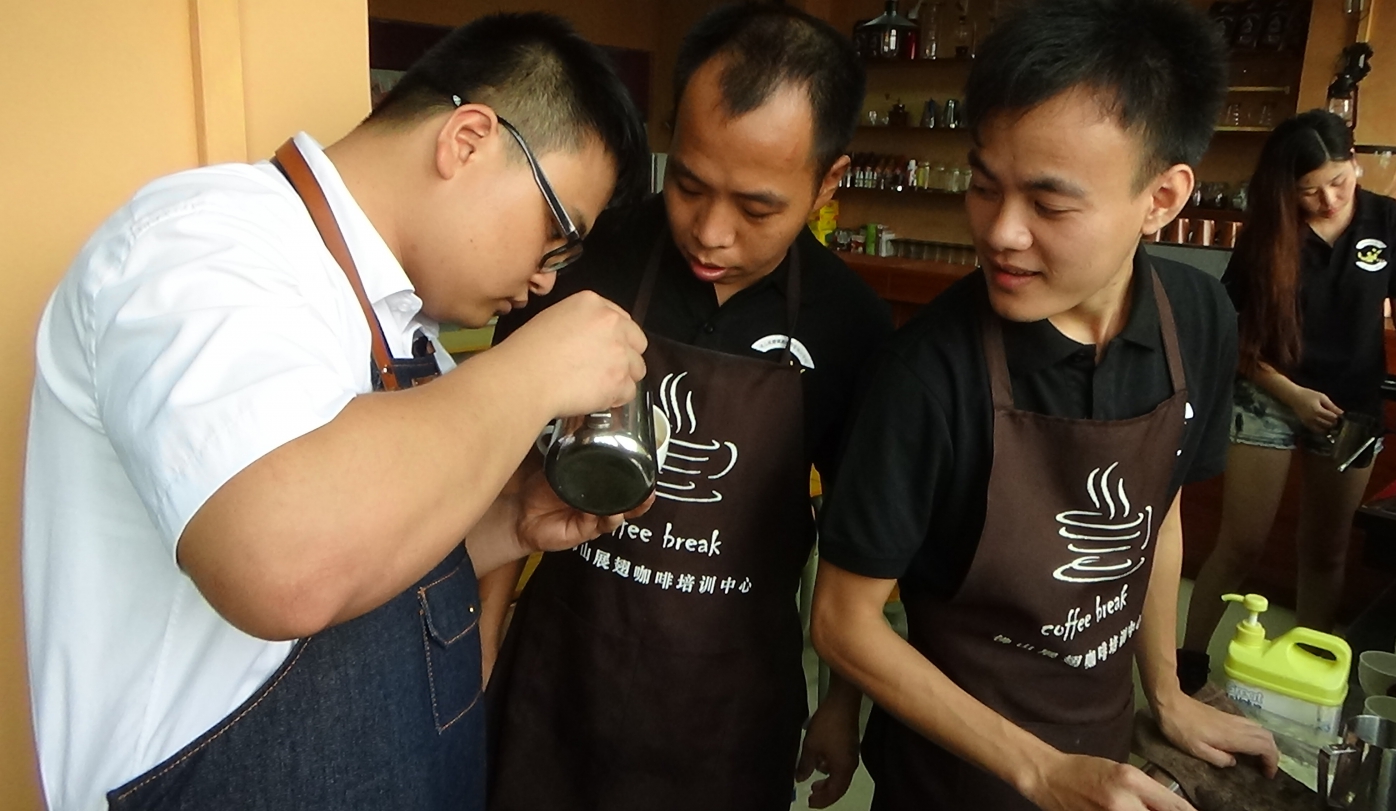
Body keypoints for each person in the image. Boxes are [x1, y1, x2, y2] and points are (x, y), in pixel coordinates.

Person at [23, 13, 651, 811]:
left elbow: (369, 572)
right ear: (467, 140)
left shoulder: (407, 337)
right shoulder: (200, 243)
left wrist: (510, 521)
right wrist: (533, 370)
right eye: (556, 234)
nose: (544, 280)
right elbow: (286, 558)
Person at [809, 1, 1281, 809]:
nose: (1002, 232)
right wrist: (1039, 769)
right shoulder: (928, 374)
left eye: (1050, 205)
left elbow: (1157, 514)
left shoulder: (1197, 321)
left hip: (1102, 753)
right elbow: (842, 620)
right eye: (983, 186)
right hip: (952, 780)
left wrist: (1165, 692)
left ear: (1163, 197)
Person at [481, 5, 892, 810]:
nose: (710, 231)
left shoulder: (851, 326)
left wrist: (840, 704)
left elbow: (856, 542)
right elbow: (496, 468)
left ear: (827, 182)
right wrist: (482, 653)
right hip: (561, 685)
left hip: (726, 714)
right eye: (690, 184)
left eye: (757, 207)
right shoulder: (582, 261)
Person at [1182, 111, 1396, 670]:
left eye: (1338, 182)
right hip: (1269, 395)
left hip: (1353, 405)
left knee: (1326, 550)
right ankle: (1187, 663)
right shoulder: (1270, 233)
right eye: (1309, 191)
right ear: (1287, 189)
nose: (1328, 200)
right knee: (1241, 544)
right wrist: (1292, 394)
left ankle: (1307, 669)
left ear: (1354, 163)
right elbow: (1236, 337)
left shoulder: (1389, 220)